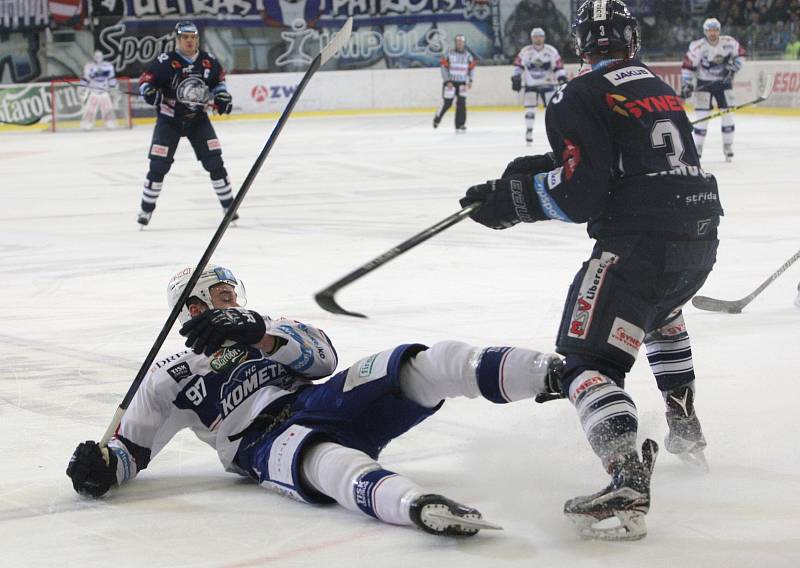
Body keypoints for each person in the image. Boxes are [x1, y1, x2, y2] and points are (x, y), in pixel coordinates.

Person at [458, 0, 722, 541]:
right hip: (699, 243)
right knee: (658, 312)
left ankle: (626, 474)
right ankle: (685, 428)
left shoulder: (575, 94)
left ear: (580, 43)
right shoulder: (659, 85)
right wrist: (538, 173)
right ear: (631, 40)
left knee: (585, 362)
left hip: (638, 247)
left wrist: (514, 199)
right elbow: (625, 163)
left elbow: (582, 196)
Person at [66, 264, 564, 537]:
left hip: (323, 398)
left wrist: (259, 335)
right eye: (220, 297)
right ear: (192, 306)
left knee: (431, 361)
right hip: (259, 444)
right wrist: (102, 468)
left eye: (230, 294)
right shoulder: (168, 375)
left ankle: (555, 374)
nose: (232, 302)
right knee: (325, 460)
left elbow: (325, 358)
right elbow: (131, 449)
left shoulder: (265, 323)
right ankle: (415, 506)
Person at [136, 21, 235, 227]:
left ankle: (229, 207)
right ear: (178, 40)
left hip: (197, 120)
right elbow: (146, 80)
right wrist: (149, 92)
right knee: (158, 165)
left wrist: (222, 97)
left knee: (214, 162)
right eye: (185, 38)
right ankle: (146, 210)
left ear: (197, 39)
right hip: (169, 120)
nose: (189, 41)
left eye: (193, 37)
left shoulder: (208, 62)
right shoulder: (165, 62)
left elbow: (218, 82)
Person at [681, 18, 745, 161]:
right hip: (704, 85)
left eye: (715, 30)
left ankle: (728, 146)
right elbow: (687, 66)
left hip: (724, 84)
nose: (713, 33)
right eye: (710, 30)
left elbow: (741, 55)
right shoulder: (698, 47)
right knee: (702, 118)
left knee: (727, 115)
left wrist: (733, 68)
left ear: (719, 30)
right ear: (705, 31)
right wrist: (687, 83)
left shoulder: (729, 42)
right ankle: (698, 149)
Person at [511, 27, 567, 145]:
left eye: (540, 36)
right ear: (531, 38)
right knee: (530, 109)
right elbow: (518, 66)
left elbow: (558, 66)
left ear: (544, 37)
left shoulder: (551, 51)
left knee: (553, 111)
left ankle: (556, 133)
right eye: (536, 36)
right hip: (531, 85)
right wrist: (516, 77)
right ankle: (529, 131)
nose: (538, 38)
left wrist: (561, 78)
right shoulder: (525, 51)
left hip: (548, 84)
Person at [432, 34, 476, 132]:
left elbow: (472, 69)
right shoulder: (448, 54)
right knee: (447, 103)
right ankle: (437, 118)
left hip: (462, 83)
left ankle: (460, 125)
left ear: (464, 43)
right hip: (450, 83)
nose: (459, 44)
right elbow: (443, 68)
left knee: (462, 104)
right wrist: (447, 80)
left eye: (461, 42)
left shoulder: (468, 56)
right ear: (455, 43)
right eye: (458, 42)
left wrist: (470, 80)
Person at [79, 50, 118, 130]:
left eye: (99, 56)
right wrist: (82, 87)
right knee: (90, 109)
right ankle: (87, 123)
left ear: (102, 57)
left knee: (107, 108)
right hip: (93, 92)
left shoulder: (108, 66)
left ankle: (110, 122)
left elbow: (111, 78)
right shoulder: (89, 66)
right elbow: (86, 78)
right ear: (94, 57)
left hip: (104, 91)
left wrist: (113, 88)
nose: (98, 58)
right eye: (96, 56)